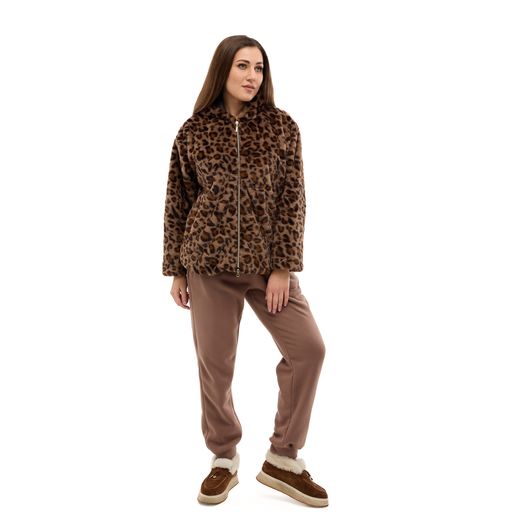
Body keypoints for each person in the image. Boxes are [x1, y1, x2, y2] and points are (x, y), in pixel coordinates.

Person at [162, 35, 328, 507]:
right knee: (215, 367)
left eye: (259, 67)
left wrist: (283, 268)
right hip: (207, 264)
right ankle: (223, 458)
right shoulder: (193, 131)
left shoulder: (281, 127)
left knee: (308, 350)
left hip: (266, 266)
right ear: (223, 70)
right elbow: (178, 201)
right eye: (242, 66)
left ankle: (283, 458)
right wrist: (177, 269)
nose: (252, 76)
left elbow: (293, 200)